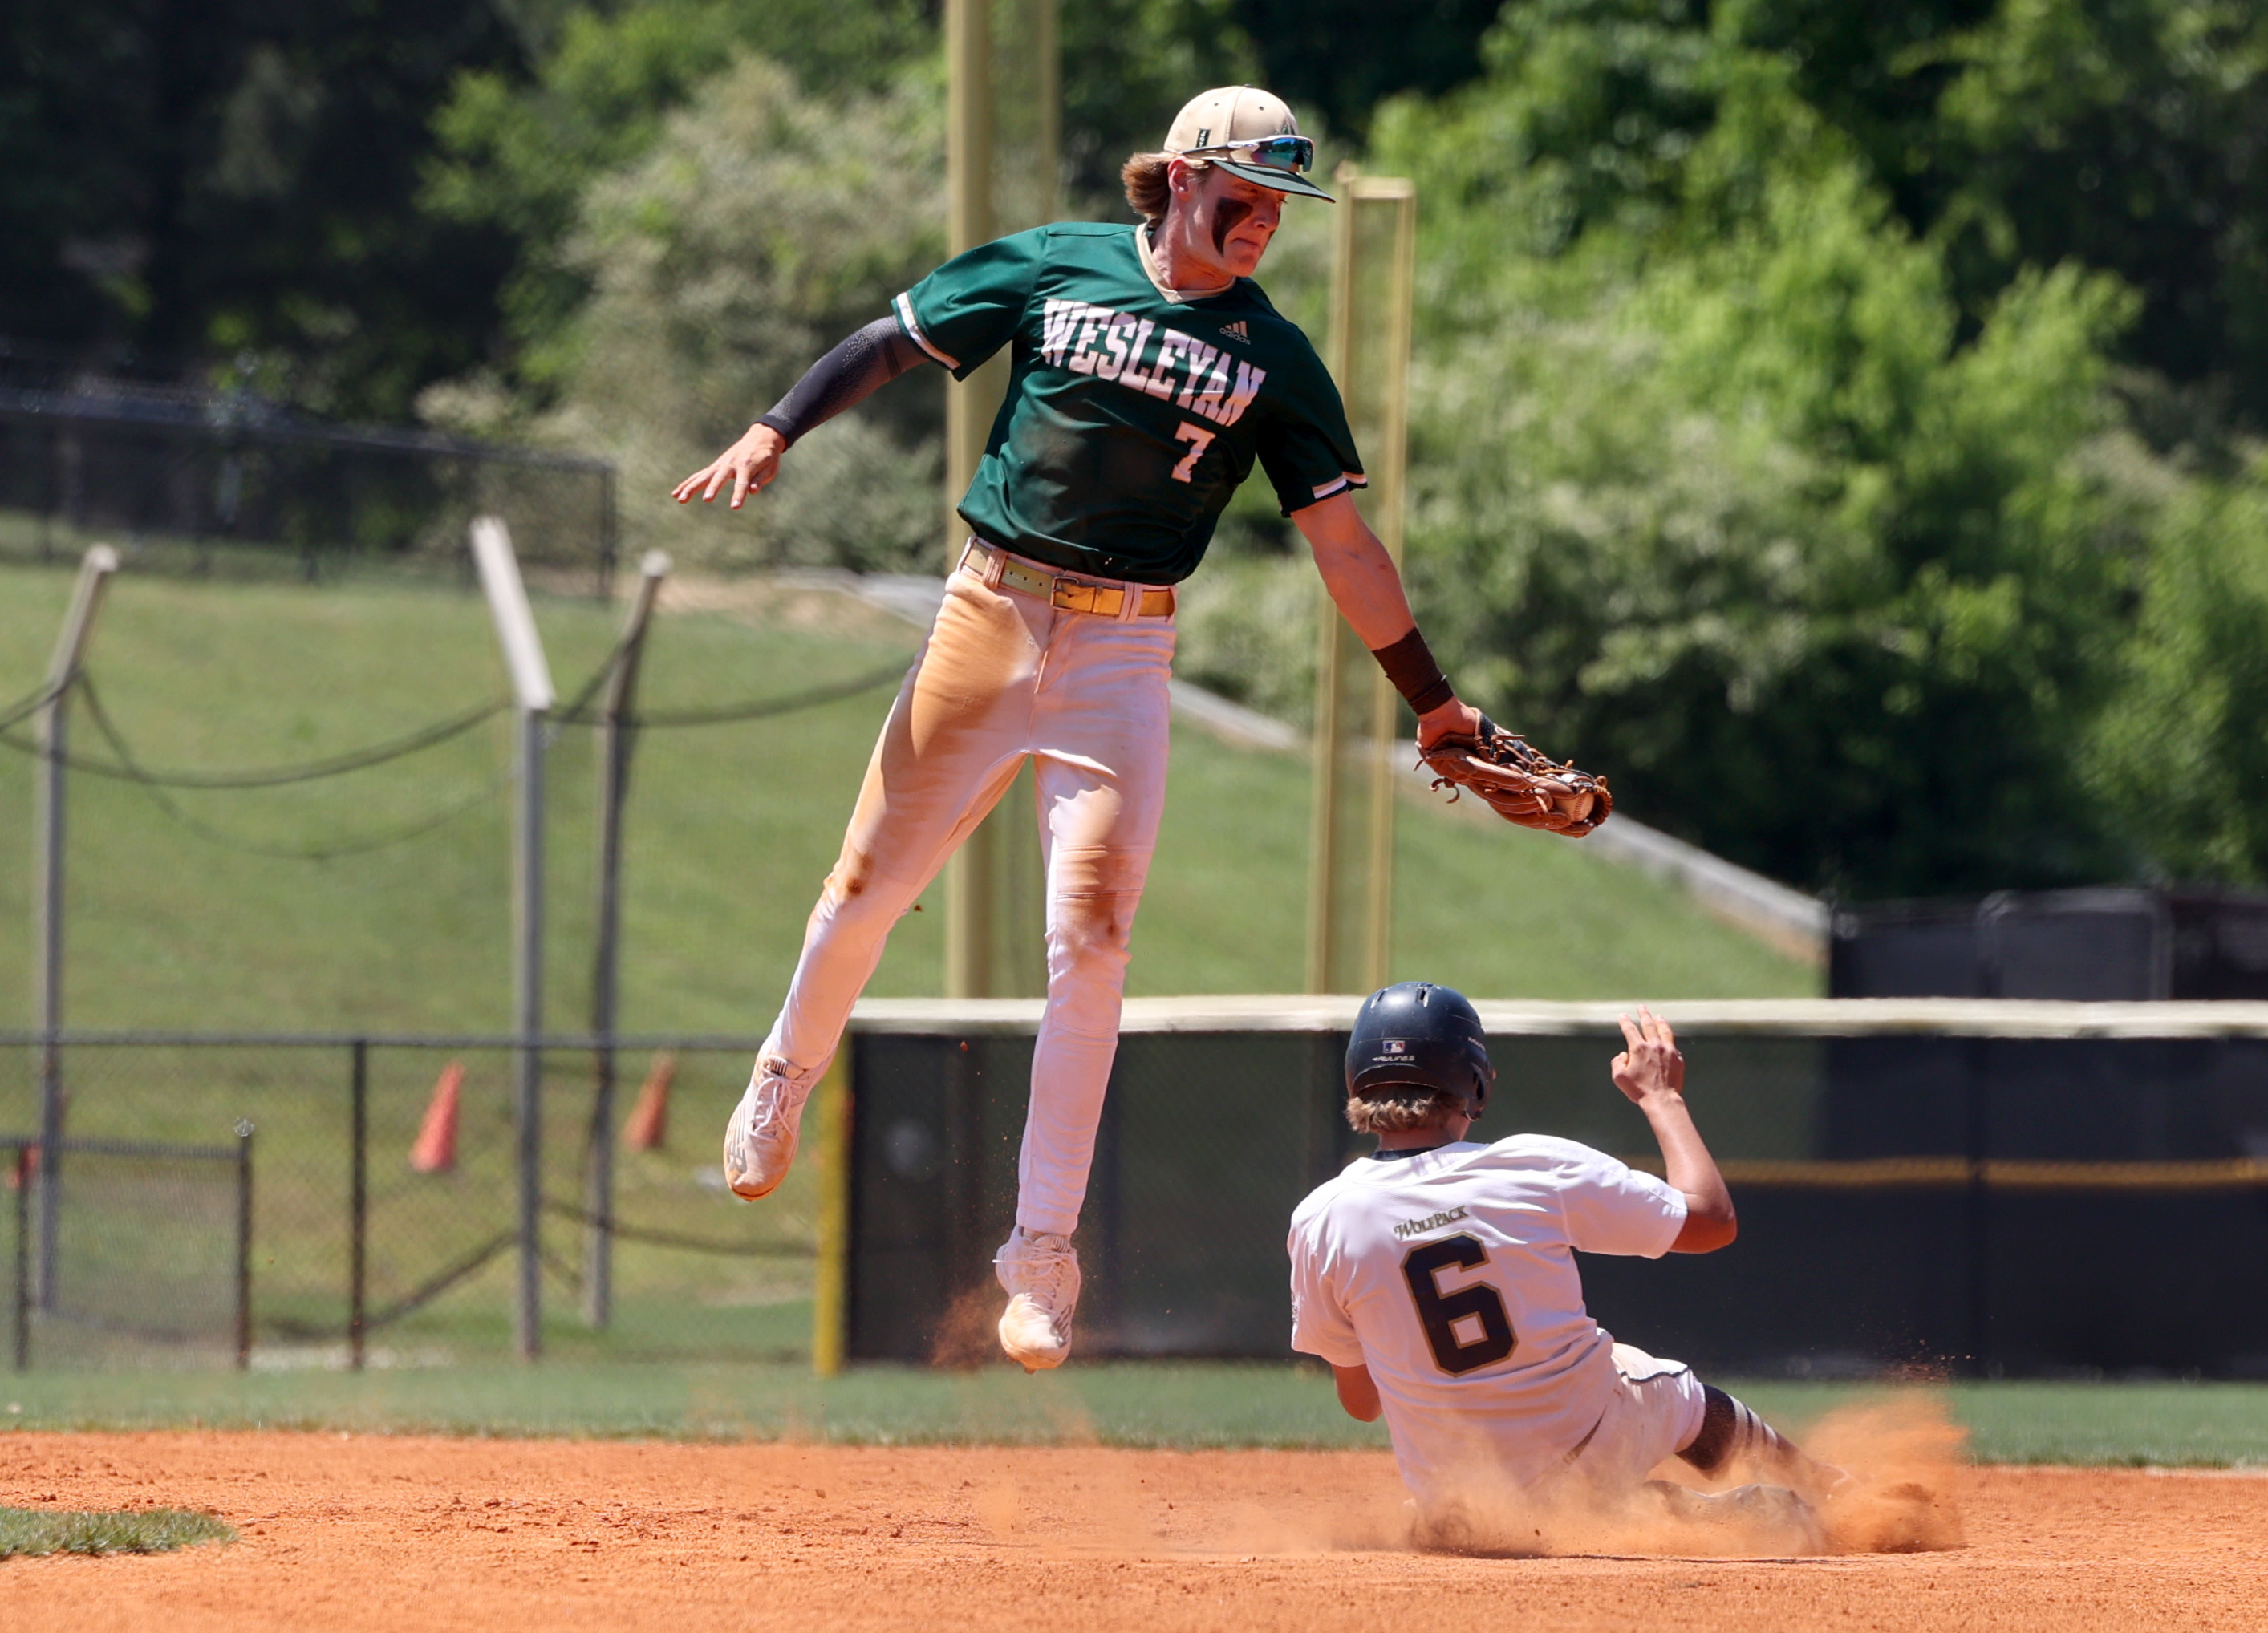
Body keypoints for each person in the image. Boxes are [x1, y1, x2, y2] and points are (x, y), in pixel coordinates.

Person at [671, 87, 1483, 1373]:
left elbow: (1343, 544)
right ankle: (782, 1074)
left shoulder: (1273, 358)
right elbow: (892, 344)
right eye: (1247, 194)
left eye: (1281, 206)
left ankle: (1040, 1254)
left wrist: (1430, 701)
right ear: (1178, 177)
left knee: (1091, 944)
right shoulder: (1057, 264)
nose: (1264, 221)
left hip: (1122, 647)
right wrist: (777, 425)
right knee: (865, 888)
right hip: (987, 611)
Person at [1287, 983, 1841, 1553]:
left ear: (1357, 1080)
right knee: (1667, 1387)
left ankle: (1641, 1514)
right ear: (1472, 1082)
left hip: (1467, 1505)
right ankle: (1829, 1493)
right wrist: (1661, 1098)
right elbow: (1711, 1221)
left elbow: (1361, 1403)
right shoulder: (1532, 1167)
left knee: (1505, 1453)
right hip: (1592, 1445)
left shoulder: (1320, 1219)